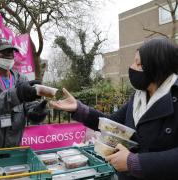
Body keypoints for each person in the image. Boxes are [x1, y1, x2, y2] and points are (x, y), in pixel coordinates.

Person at [50, 37, 178, 180]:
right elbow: (111, 123)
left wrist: (135, 163)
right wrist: (78, 109)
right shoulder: (138, 97)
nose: (132, 67)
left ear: (156, 67)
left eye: (138, 63)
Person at [0, 37, 49, 148]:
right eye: (4, 51)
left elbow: (28, 106)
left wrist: (36, 112)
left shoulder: (21, 78)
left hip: (14, 146)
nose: (10, 54)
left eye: (12, 51)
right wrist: (17, 94)